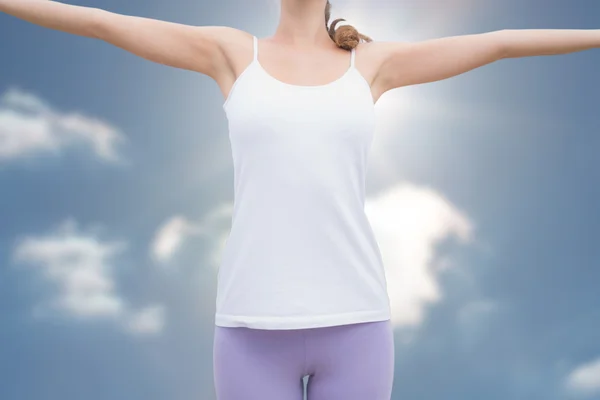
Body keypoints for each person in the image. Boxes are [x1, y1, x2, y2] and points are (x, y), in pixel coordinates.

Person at [2, 0, 599, 399]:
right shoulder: (230, 52)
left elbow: (499, 43)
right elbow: (101, 23)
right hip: (249, 327)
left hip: (358, 321)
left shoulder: (374, 62)